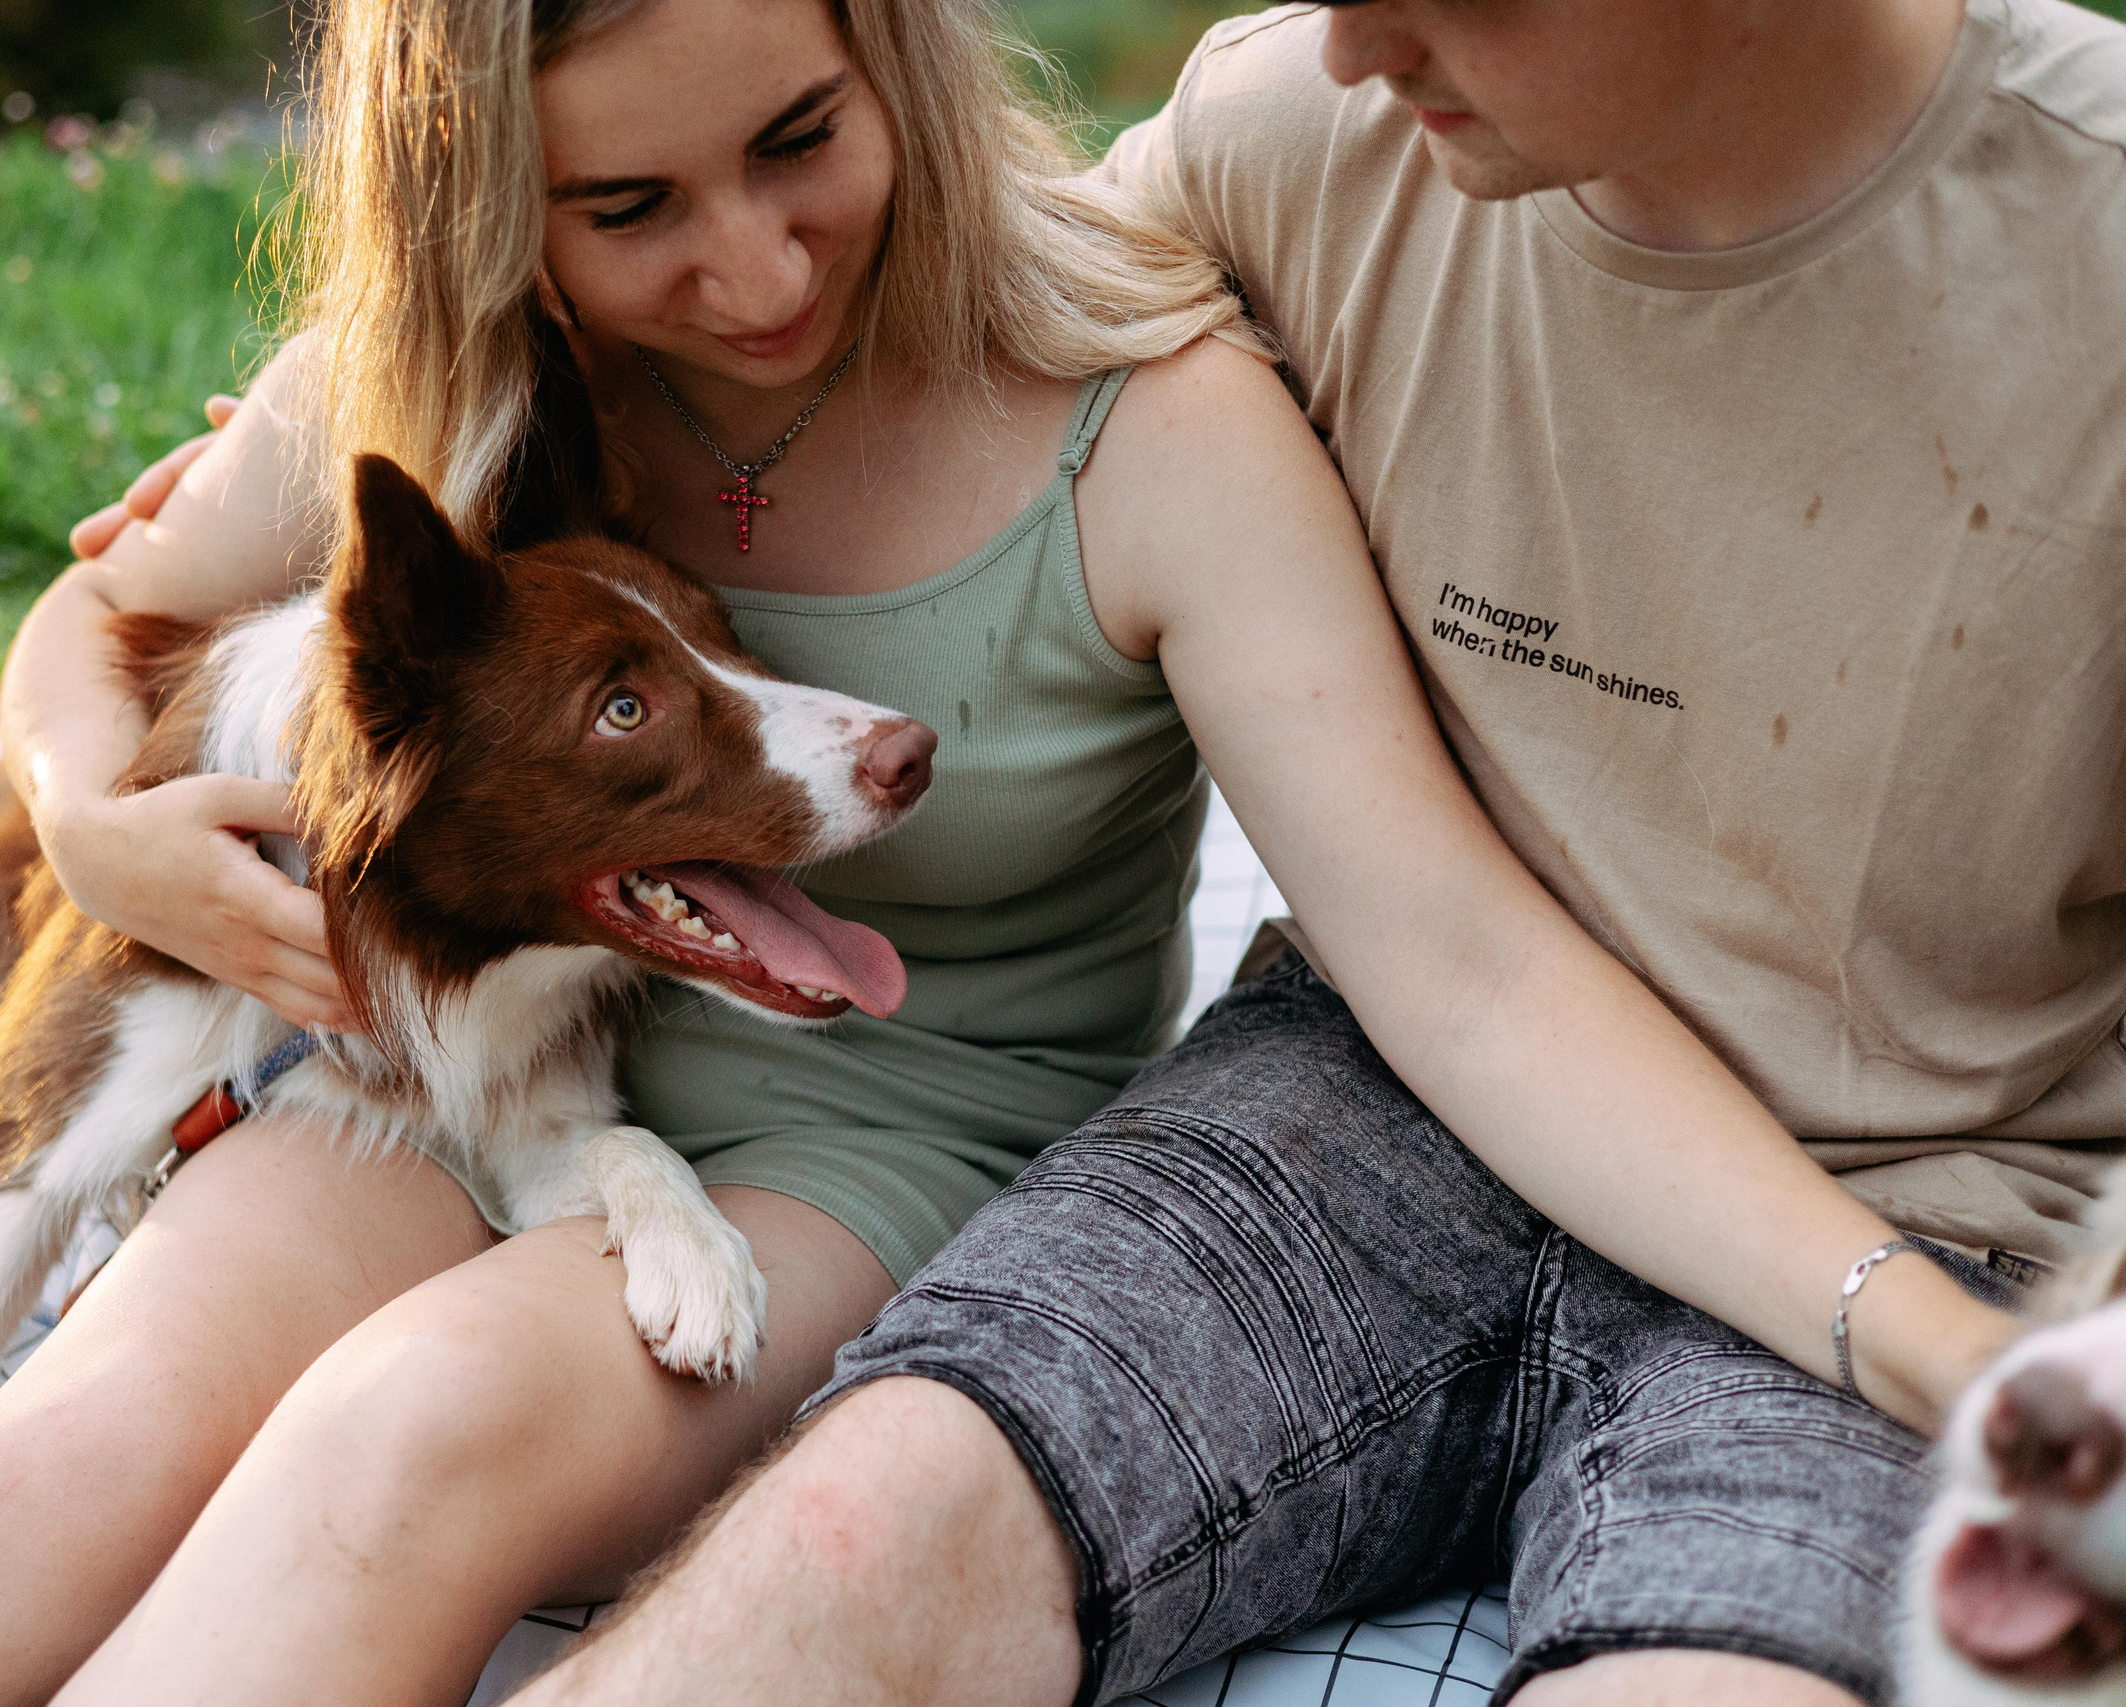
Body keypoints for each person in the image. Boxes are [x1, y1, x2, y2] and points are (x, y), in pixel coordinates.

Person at [0, 4, 2045, 1707]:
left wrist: (1926, 1329)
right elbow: (103, 606)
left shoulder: (1142, 401)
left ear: (890, 59)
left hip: (872, 1124)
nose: (748, 275)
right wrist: (93, 818)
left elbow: (1453, 957)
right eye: (627, 204)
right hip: (495, 1057)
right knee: (94, 1427)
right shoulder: (474, 364)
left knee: (393, 1430)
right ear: (495, 211)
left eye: (798, 140)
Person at [487, 1, 2126, 1705]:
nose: (1352, 41)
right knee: (849, 1538)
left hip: (1930, 1201)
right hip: (1358, 1114)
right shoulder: (1301, 136)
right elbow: (750, 279)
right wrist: (189, 693)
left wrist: (2001, 1366)